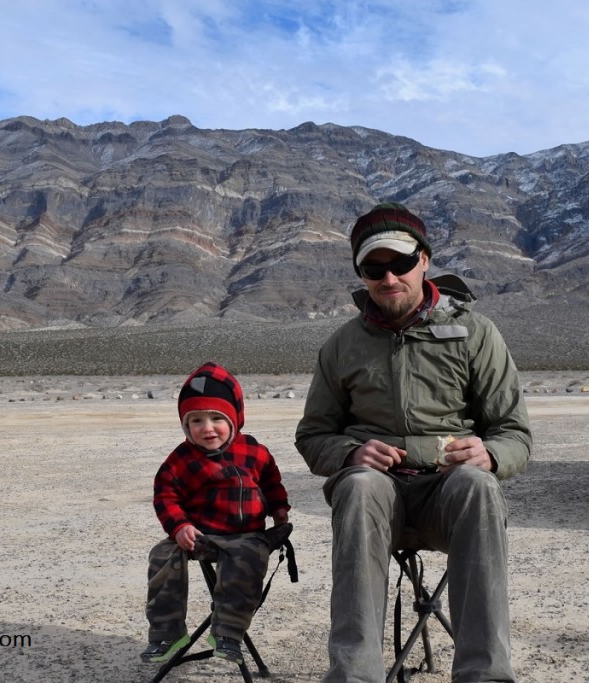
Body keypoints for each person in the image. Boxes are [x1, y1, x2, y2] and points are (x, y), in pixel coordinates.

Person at [295, 202, 532, 682]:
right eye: (374, 268)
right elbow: (313, 435)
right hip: (378, 499)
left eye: (400, 264)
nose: (388, 279)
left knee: (479, 486)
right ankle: (355, 676)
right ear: (361, 274)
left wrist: (490, 453)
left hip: (447, 496)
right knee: (359, 487)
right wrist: (349, 453)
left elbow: (514, 432)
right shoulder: (342, 345)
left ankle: (484, 676)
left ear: (424, 259)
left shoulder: (476, 334)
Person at [142, 362, 291, 665]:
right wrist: (179, 526)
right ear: (186, 426)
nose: (206, 428)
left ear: (235, 419)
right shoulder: (181, 459)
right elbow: (165, 496)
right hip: (200, 535)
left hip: (245, 535)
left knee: (248, 558)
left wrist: (279, 509)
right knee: (161, 556)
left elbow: (272, 483)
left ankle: (228, 632)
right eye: (196, 420)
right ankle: (167, 633)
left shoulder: (255, 452)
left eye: (216, 418)